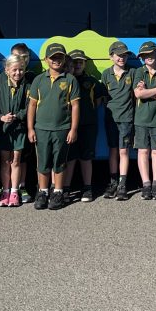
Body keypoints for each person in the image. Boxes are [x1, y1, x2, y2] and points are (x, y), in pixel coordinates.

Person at [27, 42, 81, 211]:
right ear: (46, 60)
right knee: (42, 162)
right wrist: (30, 128)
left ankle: (57, 192)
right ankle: (42, 192)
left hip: (62, 129)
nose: (57, 61)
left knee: (59, 162)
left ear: (65, 59)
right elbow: (32, 106)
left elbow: (75, 107)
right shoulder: (38, 80)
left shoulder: (70, 79)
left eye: (60, 57)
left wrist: (73, 129)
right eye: (53, 57)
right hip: (41, 129)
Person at [132, 42, 156, 200]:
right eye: (144, 55)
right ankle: (146, 184)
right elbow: (138, 94)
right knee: (143, 151)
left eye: (151, 54)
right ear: (141, 58)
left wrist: (147, 91)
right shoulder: (138, 72)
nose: (148, 57)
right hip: (141, 119)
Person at [69, 49, 107, 200]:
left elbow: (97, 102)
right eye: (75, 62)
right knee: (69, 158)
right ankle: (65, 188)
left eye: (81, 62)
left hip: (88, 125)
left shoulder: (91, 82)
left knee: (86, 157)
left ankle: (87, 188)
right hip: (67, 126)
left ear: (85, 64)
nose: (78, 65)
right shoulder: (65, 79)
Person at [102, 42, 138, 201]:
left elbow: (136, 94)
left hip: (126, 119)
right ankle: (113, 182)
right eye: (118, 55)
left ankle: (123, 184)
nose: (122, 58)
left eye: (125, 55)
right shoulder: (105, 74)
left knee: (124, 151)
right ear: (111, 56)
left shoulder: (133, 72)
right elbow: (103, 97)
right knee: (113, 150)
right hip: (111, 119)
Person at [0, 53, 29, 207]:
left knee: (16, 160)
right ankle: (5, 191)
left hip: (19, 128)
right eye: (14, 70)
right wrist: (1, 117)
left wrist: (17, 116)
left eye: (21, 70)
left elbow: (30, 107)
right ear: (7, 70)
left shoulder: (27, 86)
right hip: (4, 129)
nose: (18, 73)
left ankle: (15, 192)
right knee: (5, 160)